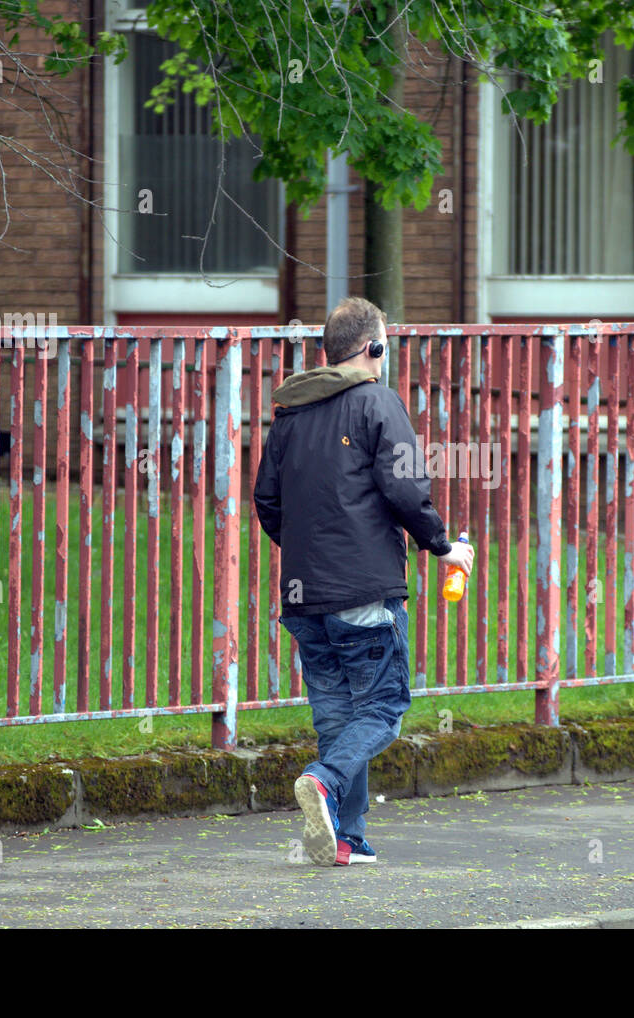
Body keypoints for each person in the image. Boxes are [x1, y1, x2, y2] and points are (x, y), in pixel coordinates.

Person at [252, 296, 475, 866]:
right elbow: (405, 488)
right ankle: (323, 782)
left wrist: (312, 553)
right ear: (374, 348)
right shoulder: (378, 402)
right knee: (383, 707)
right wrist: (443, 547)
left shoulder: (291, 414)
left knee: (336, 715)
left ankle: (345, 838)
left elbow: (267, 502)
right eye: (386, 344)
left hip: (304, 597)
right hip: (364, 592)